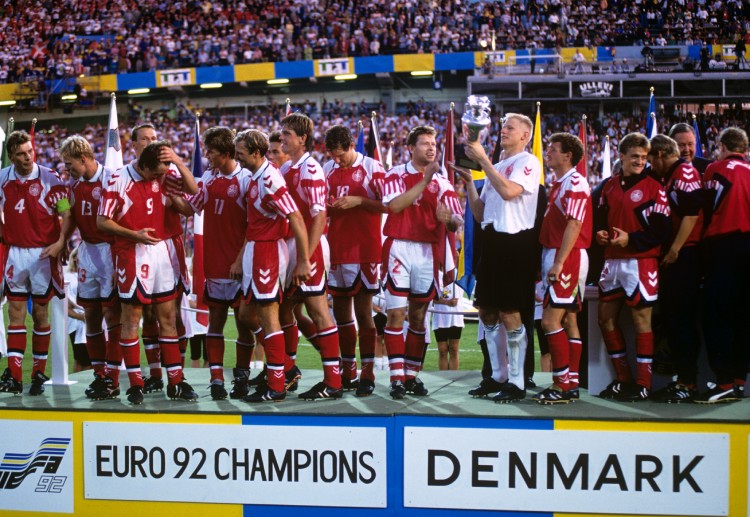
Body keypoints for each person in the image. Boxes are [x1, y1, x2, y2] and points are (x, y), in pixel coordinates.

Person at [97, 141, 198, 404]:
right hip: (131, 252)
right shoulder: (117, 179)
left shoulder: (164, 173)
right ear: (143, 167)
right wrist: (135, 234)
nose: (159, 177)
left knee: (168, 317)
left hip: (161, 250)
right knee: (132, 319)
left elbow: (193, 191)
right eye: (155, 172)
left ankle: (175, 381)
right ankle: (135, 384)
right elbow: (102, 221)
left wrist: (177, 161)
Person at [451, 113, 541, 403]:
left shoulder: (528, 162)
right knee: (487, 310)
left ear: (525, 136)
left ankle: (517, 381)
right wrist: (469, 183)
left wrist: (484, 162)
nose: (503, 131)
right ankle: (498, 375)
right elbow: (479, 214)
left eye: (509, 128)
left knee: (510, 312)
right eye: (502, 127)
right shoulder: (499, 166)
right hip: (491, 240)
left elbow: (510, 192)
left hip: (515, 241)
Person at [170, 126, 256, 400]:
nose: (207, 156)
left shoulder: (246, 179)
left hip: (241, 265)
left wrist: (240, 259)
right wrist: (171, 194)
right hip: (215, 263)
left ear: (226, 153)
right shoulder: (208, 178)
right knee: (215, 323)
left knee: (244, 323)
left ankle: (242, 377)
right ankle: (216, 379)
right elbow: (190, 208)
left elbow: (254, 225)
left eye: (211, 151)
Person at [377, 125, 463, 399]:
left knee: (418, 318)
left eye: (434, 144)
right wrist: (425, 181)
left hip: (427, 251)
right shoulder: (396, 174)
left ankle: (411, 376)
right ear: (411, 148)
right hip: (399, 247)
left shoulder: (444, 183)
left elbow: (456, 222)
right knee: (395, 315)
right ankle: (396, 378)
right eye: (425, 143)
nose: (431, 148)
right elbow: (394, 206)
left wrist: (448, 220)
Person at [232, 129, 311, 402]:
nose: (237, 158)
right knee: (246, 315)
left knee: (268, 317)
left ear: (256, 152)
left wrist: (303, 260)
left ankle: (277, 385)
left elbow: (295, 217)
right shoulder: (255, 176)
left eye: (241, 154)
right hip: (255, 249)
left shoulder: (269, 178)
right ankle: (286, 368)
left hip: (268, 251)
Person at [595, 133, 671, 402]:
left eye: (643, 157)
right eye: (635, 156)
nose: (640, 161)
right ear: (622, 156)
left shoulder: (655, 188)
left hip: (641, 261)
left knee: (641, 321)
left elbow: (662, 231)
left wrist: (632, 240)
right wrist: (600, 233)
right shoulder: (609, 186)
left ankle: (643, 384)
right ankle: (623, 378)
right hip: (612, 261)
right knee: (605, 319)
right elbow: (601, 219)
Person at [277, 113, 344, 400]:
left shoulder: (311, 169)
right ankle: (287, 371)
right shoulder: (287, 167)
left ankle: (333, 381)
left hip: (309, 248)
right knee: (283, 310)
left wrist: (306, 257)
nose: (282, 138)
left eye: (287, 134)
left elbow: (319, 216)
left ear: (302, 138)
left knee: (318, 310)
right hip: (292, 246)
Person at [128, 124, 198, 396]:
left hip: (169, 245)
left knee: (172, 312)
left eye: (154, 138)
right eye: (144, 138)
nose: (150, 142)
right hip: (140, 248)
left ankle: (176, 374)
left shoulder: (168, 173)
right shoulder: (126, 175)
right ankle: (156, 373)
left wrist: (177, 163)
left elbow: (191, 200)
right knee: (146, 314)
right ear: (134, 144)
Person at [0, 130, 71, 396]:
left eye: (30, 151)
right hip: (15, 253)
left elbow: (66, 213)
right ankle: (15, 377)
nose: (28, 157)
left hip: (43, 254)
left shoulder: (50, 178)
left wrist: (62, 242)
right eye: (21, 154)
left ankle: (39, 372)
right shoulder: (2, 179)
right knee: (15, 314)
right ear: (11, 156)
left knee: (41, 314)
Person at [323, 125, 387, 396]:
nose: (337, 160)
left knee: (363, 313)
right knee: (340, 314)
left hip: (365, 249)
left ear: (351, 145)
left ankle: (368, 372)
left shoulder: (372, 167)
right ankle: (348, 370)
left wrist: (359, 200)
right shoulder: (327, 169)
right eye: (333, 155)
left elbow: (389, 204)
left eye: (341, 155)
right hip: (337, 248)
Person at [58, 135, 122, 400]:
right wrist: (63, 239)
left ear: (83, 159)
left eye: (69, 164)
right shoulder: (72, 185)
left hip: (110, 251)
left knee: (112, 315)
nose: (67, 169)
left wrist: (121, 258)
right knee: (91, 313)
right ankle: (99, 374)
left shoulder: (112, 179)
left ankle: (113, 378)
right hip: (87, 252)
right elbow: (70, 215)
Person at [533, 133, 592, 404]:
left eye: (553, 149)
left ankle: (561, 383)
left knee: (549, 321)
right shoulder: (560, 183)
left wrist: (558, 262)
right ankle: (572, 382)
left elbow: (575, 223)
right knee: (569, 320)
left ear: (568, 156)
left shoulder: (575, 182)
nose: (548, 153)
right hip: (562, 254)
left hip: (566, 256)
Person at [647, 135, 703, 403]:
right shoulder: (672, 175)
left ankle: (687, 383)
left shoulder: (684, 172)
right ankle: (683, 379)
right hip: (679, 255)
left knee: (681, 319)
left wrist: (675, 249)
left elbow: (692, 214)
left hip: (686, 254)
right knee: (675, 318)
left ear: (659, 154)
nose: (650, 166)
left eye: (650, 160)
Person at [696, 127, 750, 403]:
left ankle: (724, 382)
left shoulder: (713, 170)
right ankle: (740, 380)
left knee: (717, 316)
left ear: (722, 147)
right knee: (744, 316)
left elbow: (702, 210)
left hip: (722, 248)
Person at [64, 249, 91, 373]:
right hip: (76, 322)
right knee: (85, 360)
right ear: (74, 258)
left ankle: (78, 381)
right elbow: (65, 305)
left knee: (80, 359)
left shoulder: (90, 274)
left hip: (89, 320)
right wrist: (82, 317)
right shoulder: (68, 277)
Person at [432, 280, 465, 370]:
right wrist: (447, 302)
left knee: (454, 349)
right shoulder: (435, 275)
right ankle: (444, 376)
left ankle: (453, 376)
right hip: (440, 317)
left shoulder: (460, 276)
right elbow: (431, 298)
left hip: (456, 317)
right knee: (442, 351)